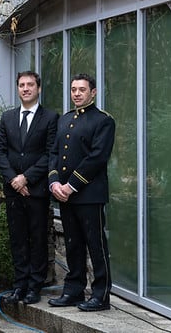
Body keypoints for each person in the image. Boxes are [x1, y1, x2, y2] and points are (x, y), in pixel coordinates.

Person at [47, 73, 115, 312]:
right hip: (64, 195)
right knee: (73, 244)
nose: (77, 93)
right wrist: (54, 183)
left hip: (89, 195)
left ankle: (101, 295)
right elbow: (54, 153)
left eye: (82, 90)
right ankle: (73, 291)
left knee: (95, 246)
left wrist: (70, 185)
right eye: (74, 89)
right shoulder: (65, 120)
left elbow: (97, 158)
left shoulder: (103, 121)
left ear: (93, 92)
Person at [0, 71, 58, 306]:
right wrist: (14, 180)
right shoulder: (8, 117)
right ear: (17, 89)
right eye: (21, 85)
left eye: (30, 85)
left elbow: (50, 153)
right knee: (18, 238)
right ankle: (20, 284)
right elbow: (0, 152)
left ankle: (34, 286)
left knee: (38, 238)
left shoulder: (50, 118)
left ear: (38, 89)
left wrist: (26, 178)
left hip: (36, 190)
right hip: (13, 191)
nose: (26, 89)